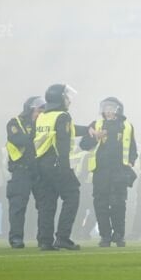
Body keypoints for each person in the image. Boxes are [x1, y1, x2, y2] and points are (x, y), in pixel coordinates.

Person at [33, 84, 86, 251]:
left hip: (41, 164)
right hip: (57, 163)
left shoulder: (42, 117)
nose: (69, 100)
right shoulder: (63, 116)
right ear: (60, 98)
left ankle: (44, 240)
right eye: (66, 97)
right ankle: (63, 237)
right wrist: (65, 168)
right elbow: (63, 142)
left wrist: (88, 130)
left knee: (47, 203)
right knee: (72, 196)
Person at [80, 97, 138, 247]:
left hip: (120, 171)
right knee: (101, 204)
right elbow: (84, 144)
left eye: (112, 107)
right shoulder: (96, 124)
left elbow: (133, 149)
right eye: (105, 107)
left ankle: (119, 235)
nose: (108, 110)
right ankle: (105, 236)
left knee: (119, 204)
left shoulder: (126, 126)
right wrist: (95, 138)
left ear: (118, 109)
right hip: (100, 172)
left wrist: (131, 160)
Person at [5, 96, 44, 248]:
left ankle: (44, 238)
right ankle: (16, 238)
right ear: (30, 109)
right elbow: (20, 140)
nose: (41, 113)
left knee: (44, 206)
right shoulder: (15, 122)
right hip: (21, 171)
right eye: (38, 110)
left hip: (39, 170)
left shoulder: (42, 123)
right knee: (18, 206)